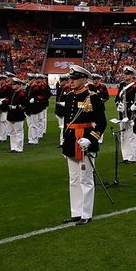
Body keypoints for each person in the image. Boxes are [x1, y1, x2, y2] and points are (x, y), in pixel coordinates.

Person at [60, 65, 106, 224]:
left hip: (85, 142)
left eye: (74, 78)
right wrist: (65, 141)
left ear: (84, 79)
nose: (71, 81)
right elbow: (67, 122)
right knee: (73, 179)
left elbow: (102, 123)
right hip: (71, 141)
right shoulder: (69, 97)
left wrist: (91, 139)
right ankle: (76, 212)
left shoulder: (92, 97)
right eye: (70, 78)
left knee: (85, 179)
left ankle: (86, 214)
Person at [6, 76, 29, 154]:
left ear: (19, 84)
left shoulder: (22, 93)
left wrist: (18, 106)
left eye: (14, 84)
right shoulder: (12, 92)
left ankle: (19, 148)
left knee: (18, 131)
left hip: (18, 114)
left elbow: (25, 104)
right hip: (11, 114)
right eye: (12, 84)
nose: (12, 85)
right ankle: (13, 147)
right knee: (12, 132)